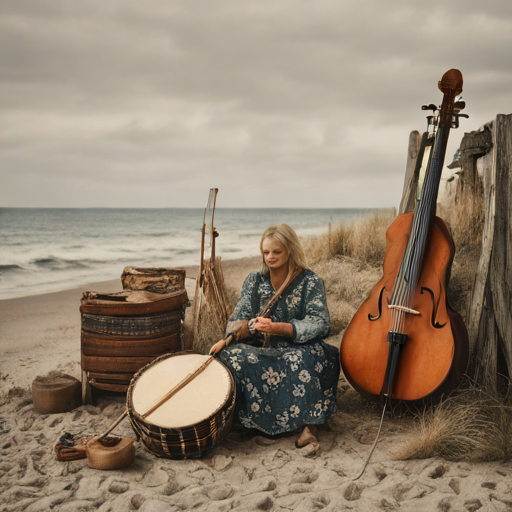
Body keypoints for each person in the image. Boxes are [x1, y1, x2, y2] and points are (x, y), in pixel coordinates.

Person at [210, 223, 340, 454]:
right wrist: (246, 329)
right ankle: (249, 421)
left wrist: (280, 328)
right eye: (265, 252)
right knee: (230, 356)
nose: (270, 257)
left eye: (276, 252)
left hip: (298, 349)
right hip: (261, 348)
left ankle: (308, 426)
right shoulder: (254, 280)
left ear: (290, 250)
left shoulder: (310, 281)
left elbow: (321, 323)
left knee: (307, 360)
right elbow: (235, 320)